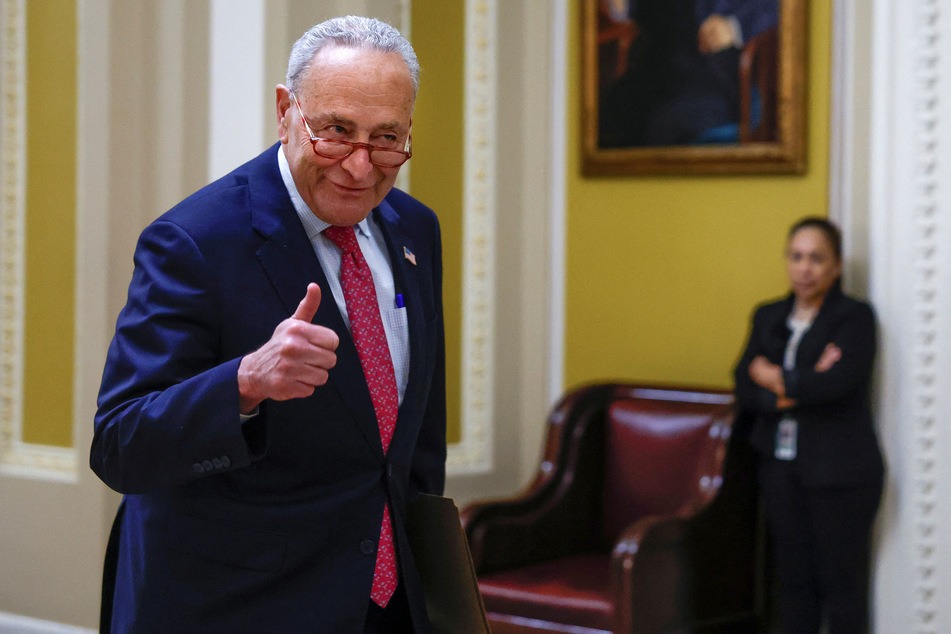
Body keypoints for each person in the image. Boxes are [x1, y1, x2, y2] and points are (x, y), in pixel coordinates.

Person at [91, 16, 446, 633]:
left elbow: (414, 439)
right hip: (237, 606)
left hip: (383, 604)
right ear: (286, 111)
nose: (361, 168)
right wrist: (245, 383)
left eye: (387, 137)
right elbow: (121, 446)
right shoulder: (195, 241)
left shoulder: (415, 228)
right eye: (336, 132)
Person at [733, 217, 884, 633]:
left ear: (836, 266)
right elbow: (742, 385)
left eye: (817, 259)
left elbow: (835, 384)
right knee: (793, 583)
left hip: (841, 473)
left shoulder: (854, 319)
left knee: (839, 585)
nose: (805, 268)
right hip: (781, 467)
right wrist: (794, 384)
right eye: (796, 257)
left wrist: (772, 374)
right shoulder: (767, 316)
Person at [599, 0, 778, 147]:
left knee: (665, 125)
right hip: (653, 69)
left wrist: (734, 27)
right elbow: (634, 10)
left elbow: (780, 6)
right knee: (609, 114)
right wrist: (619, 7)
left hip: (712, 77)